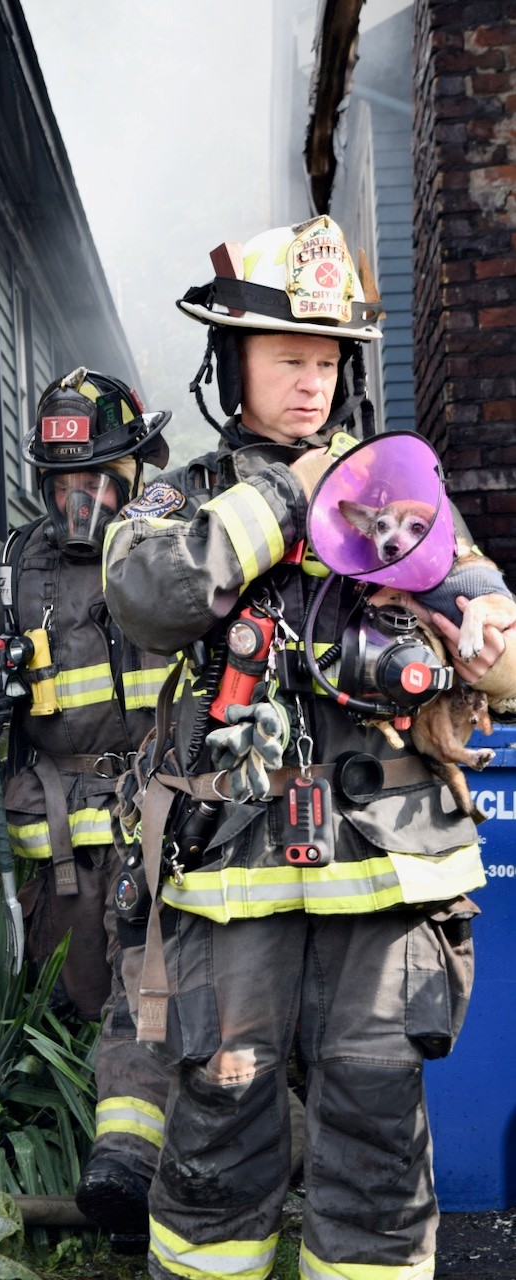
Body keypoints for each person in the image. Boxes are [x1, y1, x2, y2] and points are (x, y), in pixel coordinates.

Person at [101, 215, 516, 1280]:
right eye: (288, 357)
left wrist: (479, 646)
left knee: (377, 1145)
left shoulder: (402, 501)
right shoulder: (180, 496)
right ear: (228, 363)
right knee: (215, 1137)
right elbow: (145, 595)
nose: (311, 385)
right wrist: (285, 499)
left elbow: (499, 646)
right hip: (231, 871)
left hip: (383, 879)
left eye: (327, 361)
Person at [0, 367, 176, 1247]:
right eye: (63, 483)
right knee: (79, 999)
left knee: (156, 997)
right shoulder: (13, 567)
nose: (79, 500)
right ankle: (104, 1178)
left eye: (96, 482)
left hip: (158, 815)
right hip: (61, 839)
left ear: (130, 473)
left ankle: (145, 1181)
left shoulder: (166, 555)